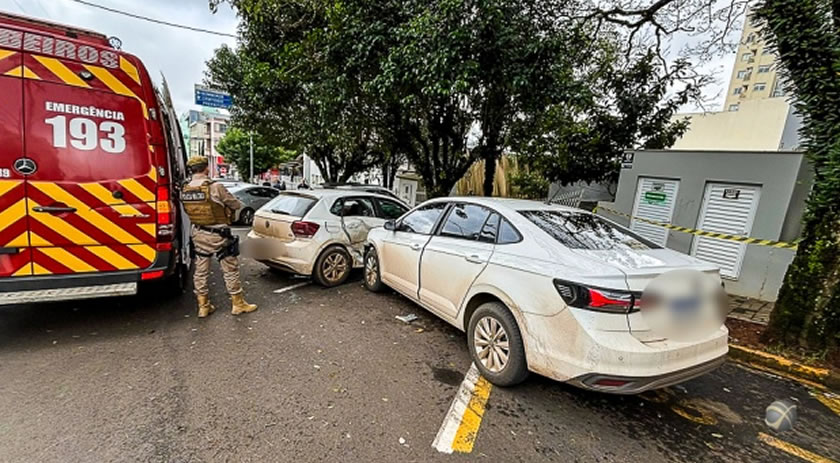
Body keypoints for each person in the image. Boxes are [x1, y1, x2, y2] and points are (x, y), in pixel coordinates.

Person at [182, 156, 258, 318]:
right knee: (230, 269)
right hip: (219, 235)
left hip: (199, 233)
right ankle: (238, 304)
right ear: (206, 168)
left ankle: (203, 306)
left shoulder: (185, 188)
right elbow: (236, 205)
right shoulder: (215, 187)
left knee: (201, 271)